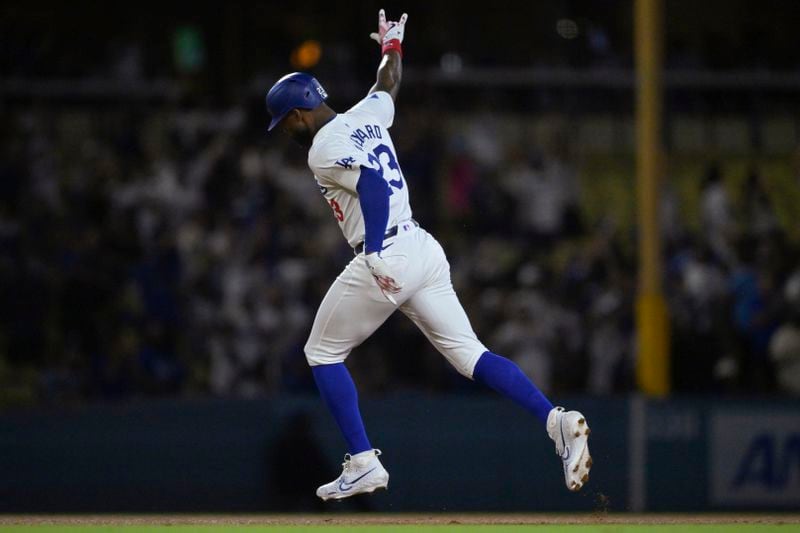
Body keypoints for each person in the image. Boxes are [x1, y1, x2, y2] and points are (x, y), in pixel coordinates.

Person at [265, 9, 591, 501]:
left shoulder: (322, 147)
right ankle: (555, 420)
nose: (284, 130)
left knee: (322, 351)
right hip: (422, 246)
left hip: (388, 250)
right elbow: (388, 83)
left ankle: (362, 461)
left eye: (283, 122)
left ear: (297, 114)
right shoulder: (367, 115)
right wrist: (391, 48)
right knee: (471, 355)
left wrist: (375, 254)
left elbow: (372, 183)